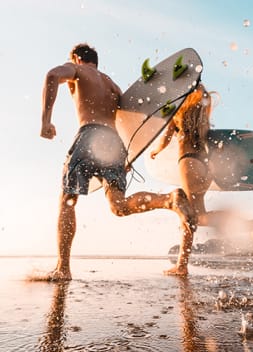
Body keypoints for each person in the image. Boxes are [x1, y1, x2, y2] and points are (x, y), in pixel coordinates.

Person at [40, 43, 196, 280]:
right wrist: (128, 155)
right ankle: (169, 200)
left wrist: (46, 120)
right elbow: (129, 121)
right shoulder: (112, 85)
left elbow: (52, 75)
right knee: (119, 205)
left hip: (90, 135)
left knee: (68, 200)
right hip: (114, 142)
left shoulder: (77, 69)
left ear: (76, 58)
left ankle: (63, 267)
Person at [150, 83, 253, 262]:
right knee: (192, 216)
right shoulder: (203, 114)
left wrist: (156, 151)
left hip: (189, 163)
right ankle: (182, 264)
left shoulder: (179, 114)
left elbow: (165, 138)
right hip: (205, 167)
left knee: (192, 217)